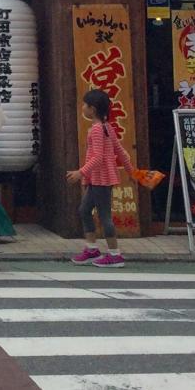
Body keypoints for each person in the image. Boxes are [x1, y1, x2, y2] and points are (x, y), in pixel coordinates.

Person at [68, 89, 136, 269]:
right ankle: (92, 249)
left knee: (105, 216)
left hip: (101, 179)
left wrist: (80, 172)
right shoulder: (107, 127)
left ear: (93, 109)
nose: (83, 108)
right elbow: (120, 151)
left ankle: (114, 254)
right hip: (99, 178)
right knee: (84, 210)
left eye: (85, 105)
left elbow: (97, 157)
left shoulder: (97, 130)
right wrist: (131, 171)